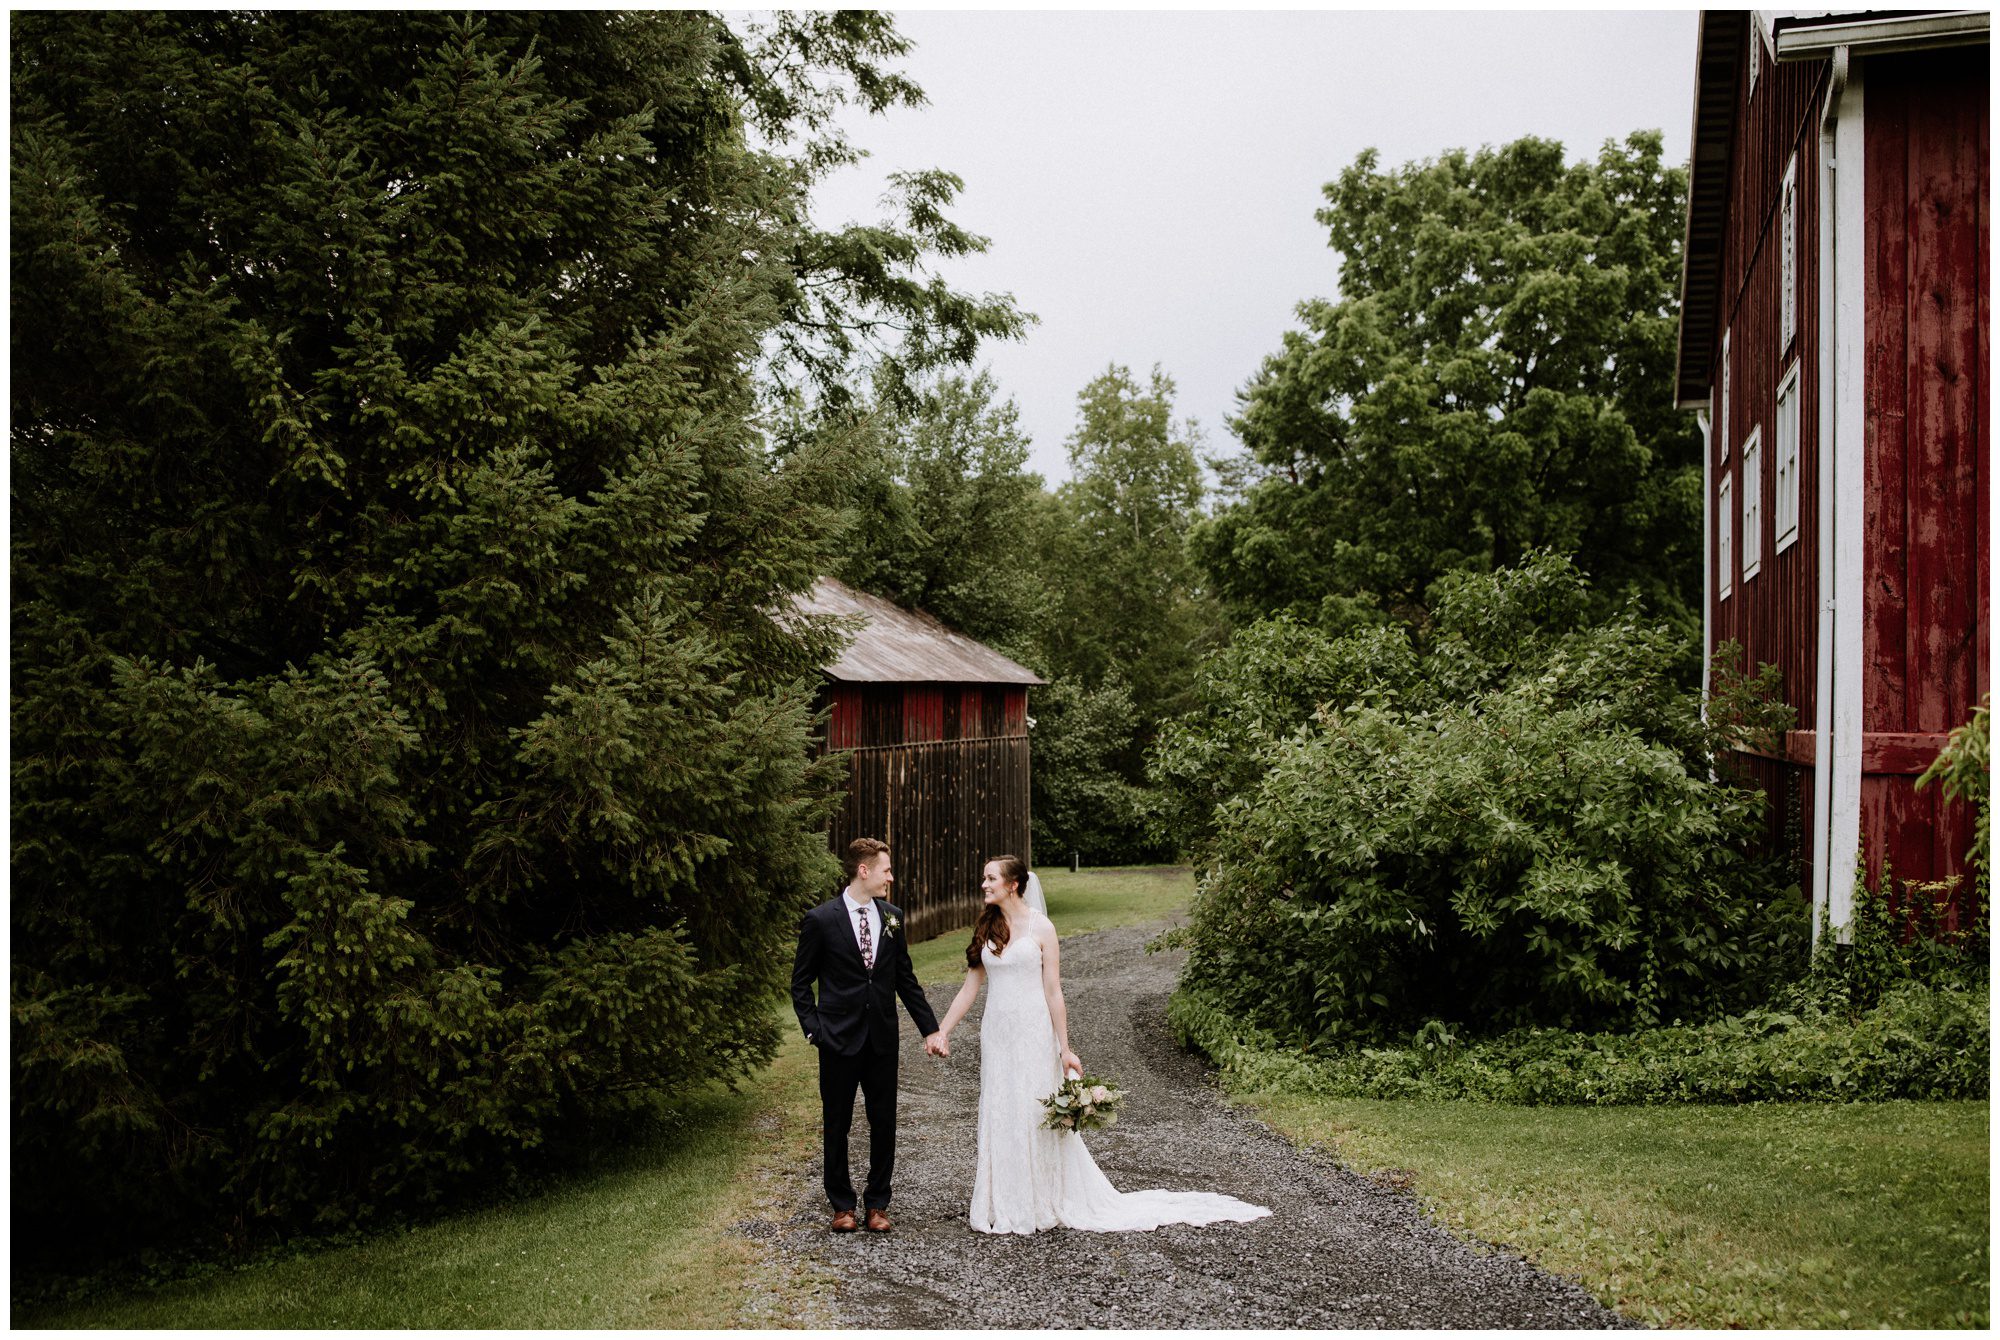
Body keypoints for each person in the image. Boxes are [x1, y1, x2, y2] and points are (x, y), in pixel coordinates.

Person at [931, 855, 1272, 1235]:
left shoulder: (1041, 928)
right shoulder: (987, 928)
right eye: (984, 878)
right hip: (997, 1035)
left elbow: (1053, 991)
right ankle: (1006, 1200)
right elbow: (969, 988)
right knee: (1001, 1109)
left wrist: (1065, 1048)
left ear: (1013, 884)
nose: (984, 884)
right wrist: (942, 1030)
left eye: (990, 878)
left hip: (1033, 1033)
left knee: (1032, 1111)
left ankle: (1042, 1197)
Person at [790, 837, 943, 1234]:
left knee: (883, 1122)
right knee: (836, 1122)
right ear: (864, 870)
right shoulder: (821, 920)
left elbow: (905, 979)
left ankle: (877, 1203)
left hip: (881, 1041)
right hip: (837, 1040)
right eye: (886, 870)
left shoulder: (892, 916)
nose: (890, 877)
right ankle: (842, 1205)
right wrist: (815, 1032)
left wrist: (931, 1029)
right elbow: (800, 984)